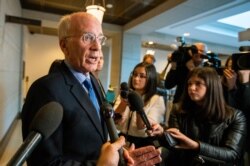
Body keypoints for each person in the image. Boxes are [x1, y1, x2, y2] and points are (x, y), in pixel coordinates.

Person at [21, 12, 161, 165]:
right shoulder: (44, 89)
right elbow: (44, 163)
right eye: (87, 37)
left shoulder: (94, 81)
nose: (97, 47)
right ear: (64, 45)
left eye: (100, 39)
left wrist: (120, 158)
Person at [150, 67, 247, 165]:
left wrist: (196, 146)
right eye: (189, 84)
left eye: (198, 83)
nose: (191, 88)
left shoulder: (235, 116)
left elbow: (232, 154)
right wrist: (162, 133)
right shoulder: (179, 110)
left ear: (212, 86)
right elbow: (174, 144)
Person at [114, 62, 165, 148]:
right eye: (135, 74)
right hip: (122, 140)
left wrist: (137, 103)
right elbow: (116, 120)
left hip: (143, 143)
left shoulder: (156, 99)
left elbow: (141, 127)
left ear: (150, 78)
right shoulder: (125, 95)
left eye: (141, 76)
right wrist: (124, 103)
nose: (136, 78)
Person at [222, 55, 250, 165]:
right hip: (231, 137)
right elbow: (231, 115)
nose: (236, 70)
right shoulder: (223, 85)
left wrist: (245, 83)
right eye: (231, 67)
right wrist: (231, 89)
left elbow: (247, 110)